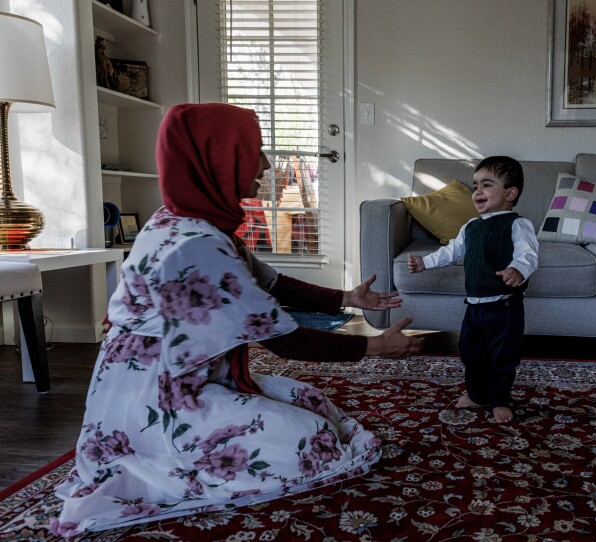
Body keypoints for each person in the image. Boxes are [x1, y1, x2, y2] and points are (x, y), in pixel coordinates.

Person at [52, 103, 423, 535]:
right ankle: (156, 457)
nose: (265, 164)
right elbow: (286, 342)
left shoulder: (192, 219)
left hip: (184, 377)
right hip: (158, 397)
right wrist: (378, 347)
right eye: (255, 151)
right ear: (216, 159)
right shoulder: (194, 243)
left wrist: (347, 297)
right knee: (312, 443)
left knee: (315, 407)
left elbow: (273, 283)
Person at [407, 156, 538, 423]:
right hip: (475, 306)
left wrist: (518, 270)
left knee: (503, 355)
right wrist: (425, 262)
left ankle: (500, 399)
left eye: (487, 185)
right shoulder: (471, 226)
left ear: (510, 193)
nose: (477, 191)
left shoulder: (517, 224)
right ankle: (477, 394)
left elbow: (528, 254)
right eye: (475, 185)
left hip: (504, 306)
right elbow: (451, 252)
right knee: (470, 352)